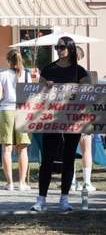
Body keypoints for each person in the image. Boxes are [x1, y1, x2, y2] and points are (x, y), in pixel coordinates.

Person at [31, 36, 91, 212]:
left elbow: (88, 92)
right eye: (57, 47)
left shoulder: (79, 71)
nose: (59, 49)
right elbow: (37, 91)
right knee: (47, 159)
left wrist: (77, 88)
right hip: (51, 120)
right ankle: (41, 199)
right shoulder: (49, 69)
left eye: (62, 47)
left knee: (69, 158)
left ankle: (64, 198)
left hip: (73, 121)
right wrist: (45, 86)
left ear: (71, 48)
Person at [0, 50, 31, 191]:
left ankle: (9, 183)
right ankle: (22, 183)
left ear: (8, 60)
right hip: (22, 110)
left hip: (6, 110)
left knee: (7, 148)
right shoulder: (26, 74)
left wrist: (1, 100)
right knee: (23, 148)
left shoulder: (1, 75)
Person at [73, 46, 96, 192]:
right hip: (84, 114)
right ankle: (87, 182)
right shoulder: (88, 75)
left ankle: (71, 182)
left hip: (66, 116)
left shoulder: (62, 74)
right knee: (86, 149)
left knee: (68, 151)